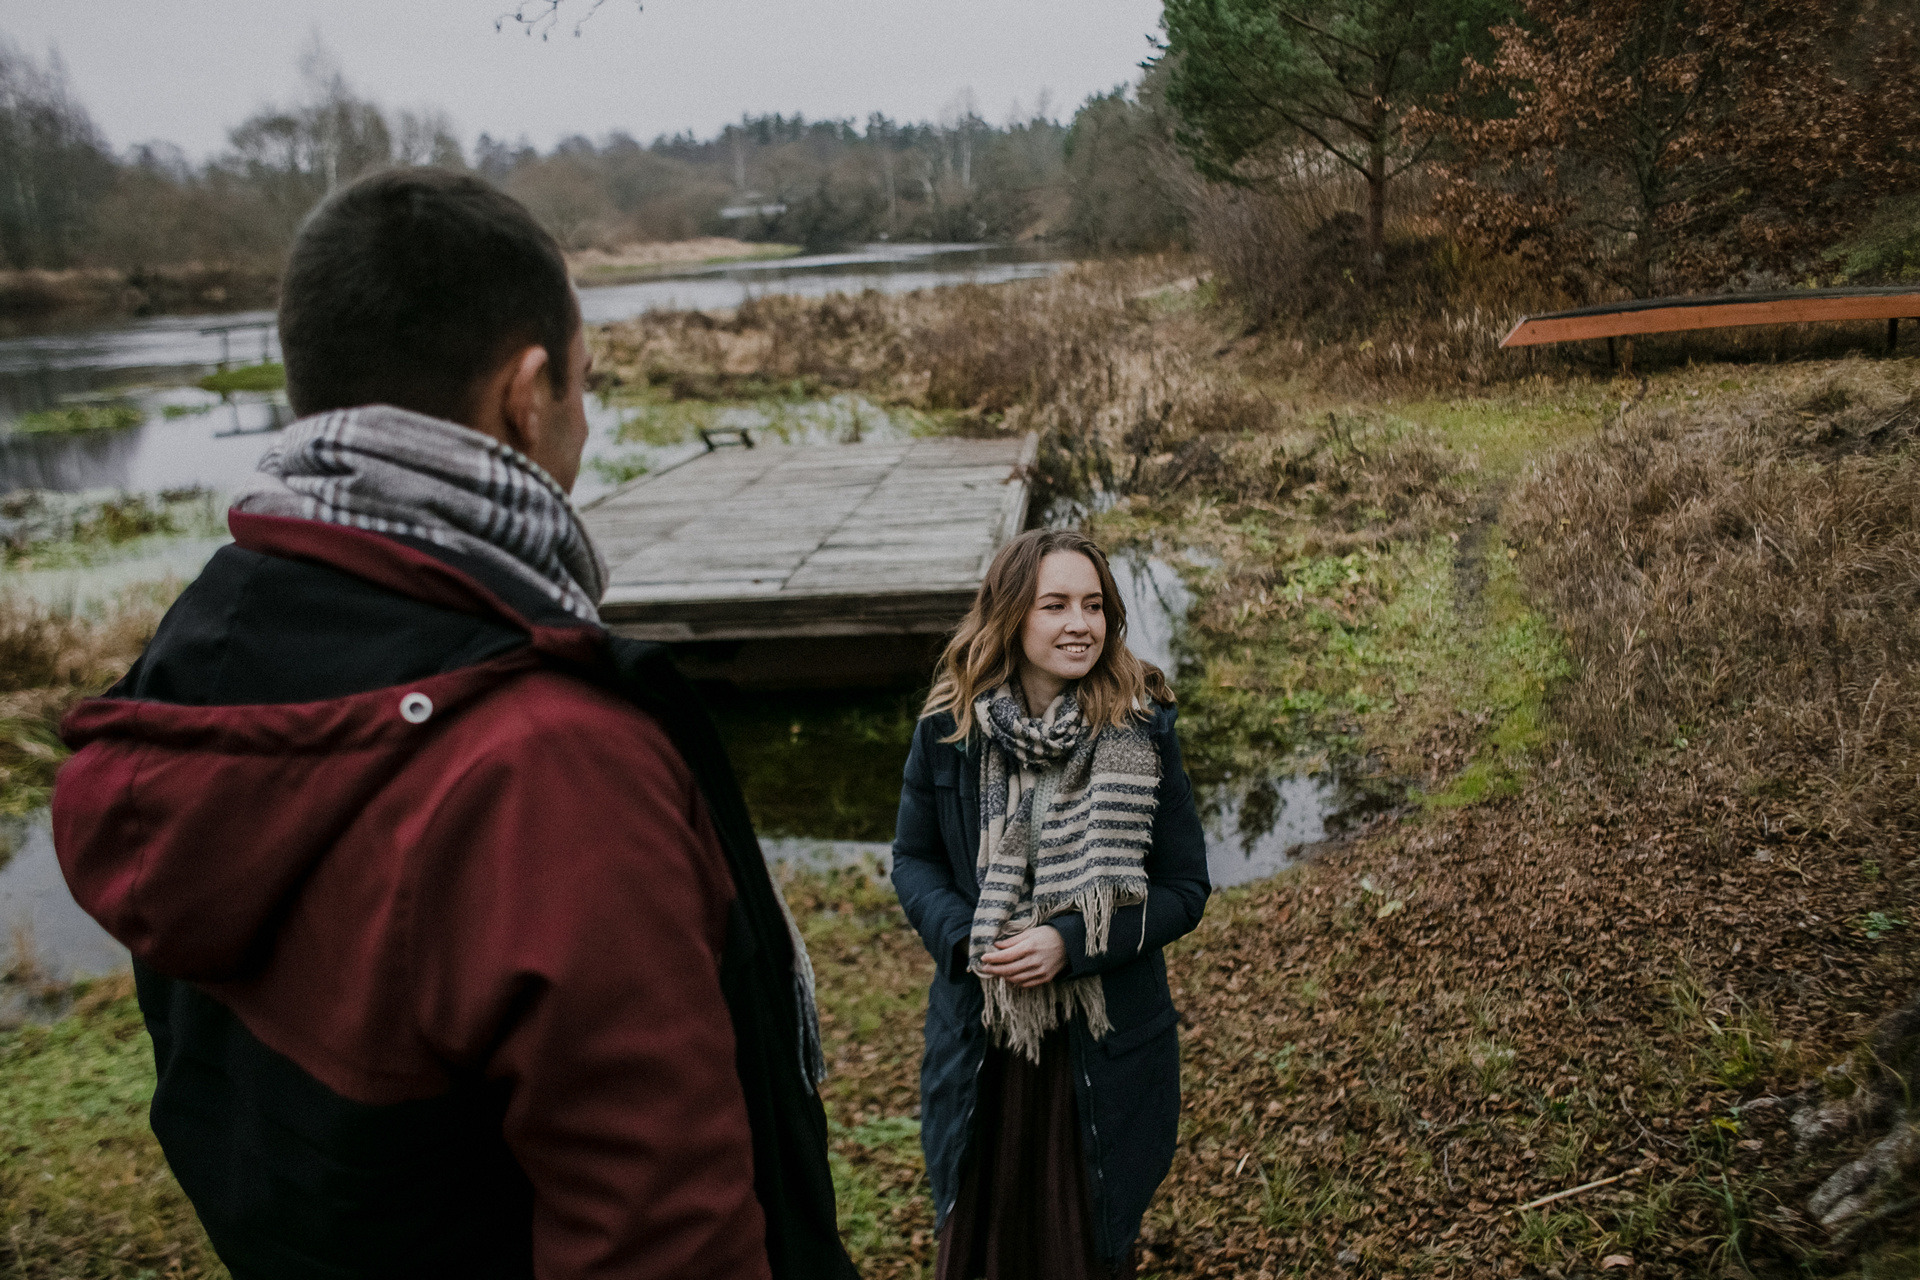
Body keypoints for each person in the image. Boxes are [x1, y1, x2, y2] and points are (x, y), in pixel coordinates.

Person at [51, 168, 856, 1280]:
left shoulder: (197, 663)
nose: (589, 411)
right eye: (586, 378)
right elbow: (664, 1242)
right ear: (528, 395)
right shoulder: (552, 768)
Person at [890, 528, 1211, 1280]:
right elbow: (915, 859)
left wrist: (1072, 942)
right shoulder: (950, 729)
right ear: (1010, 616)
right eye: (1056, 604)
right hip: (984, 1039)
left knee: (1082, 1236)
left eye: (1094, 605)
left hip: (1098, 1043)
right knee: (986, 1237)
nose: (1080, 624)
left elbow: (1184, 890)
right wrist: (966, 940)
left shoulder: (1141, 728)